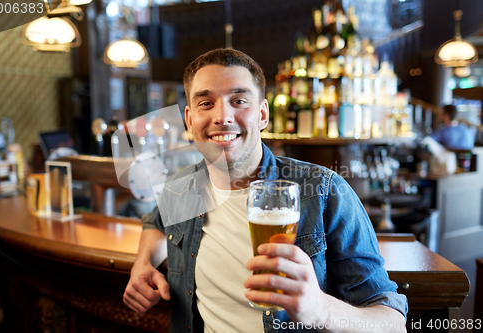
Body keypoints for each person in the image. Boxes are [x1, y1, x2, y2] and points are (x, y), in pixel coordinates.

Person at [123, 48, 408, 333]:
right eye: (206, 103)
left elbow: (393, 322)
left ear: (262, 114)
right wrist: (143, 263)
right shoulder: (181, 188)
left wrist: (320, 309)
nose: (222, 116)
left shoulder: (324, 191)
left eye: (239, 101)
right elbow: (155, 223)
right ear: (189, 119)